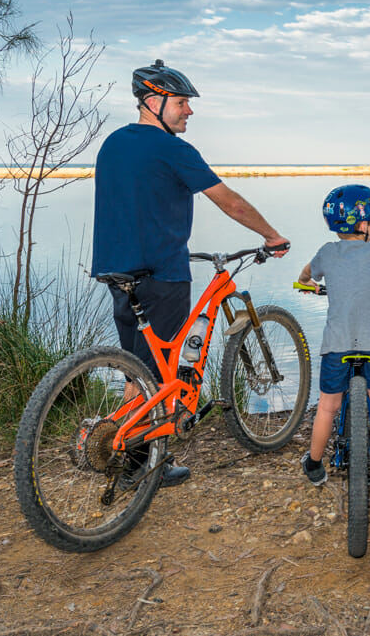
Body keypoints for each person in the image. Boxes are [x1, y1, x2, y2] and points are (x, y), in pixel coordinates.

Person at [91, 59, 289, 488]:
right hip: (160, 273)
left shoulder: (113, 143)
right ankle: (137, 468)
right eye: (181, 102)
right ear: (152, 101)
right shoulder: (172, 149)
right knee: (159, 375)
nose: (189, 111)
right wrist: (272, 235)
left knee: (138, 368)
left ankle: (129, 448)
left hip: (116, 271)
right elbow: (228, 201)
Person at [296, 184, 370, 486]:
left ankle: (315, 464)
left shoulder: (326, 253)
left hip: (336, 345)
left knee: (327, 407)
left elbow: (305, 275)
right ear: (363, 224)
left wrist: (307, 283)